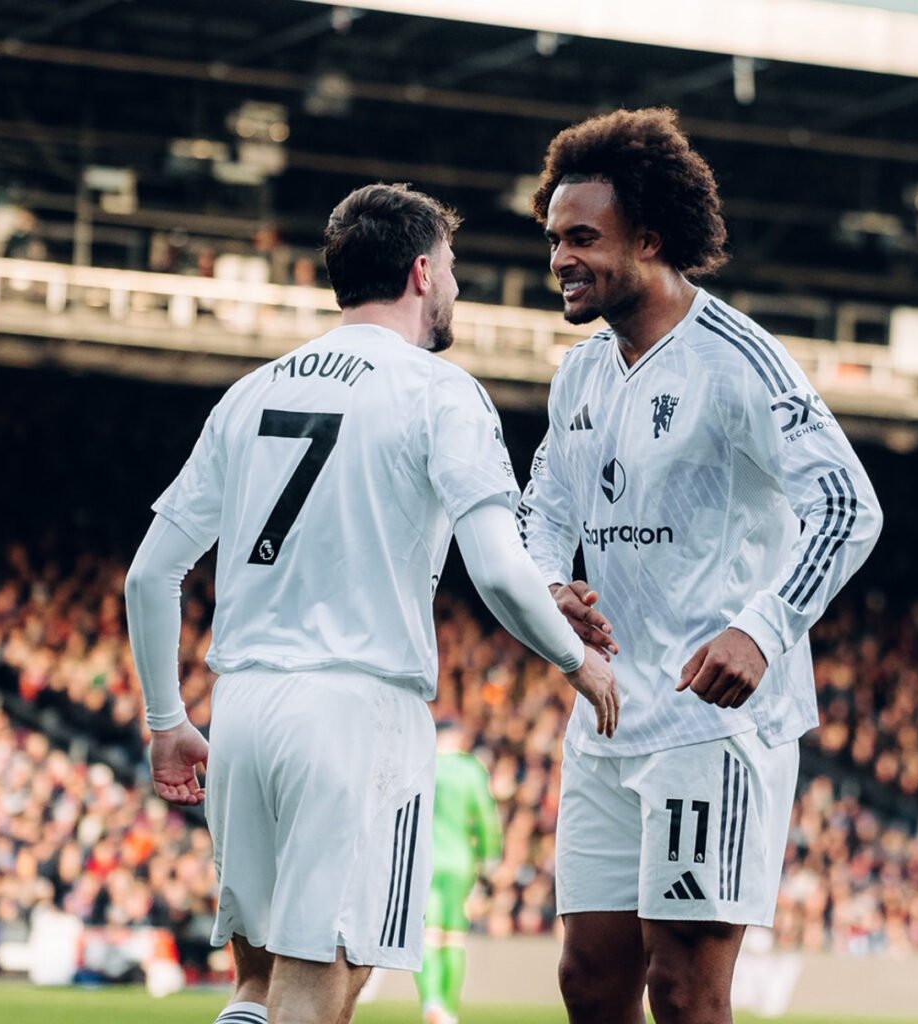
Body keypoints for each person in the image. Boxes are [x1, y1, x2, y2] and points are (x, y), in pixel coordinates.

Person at [124, 182, 617, 1024]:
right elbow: (496, 570)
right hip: (359, 712)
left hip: (241, 706)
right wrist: (580, 664)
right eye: (454, 269)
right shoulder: (438, 391)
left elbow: (148, 576)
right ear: (423, 272)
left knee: (257, 982)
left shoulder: (249, 394)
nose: (455, 287)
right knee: (323, 989)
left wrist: (166, 720)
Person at [518, 108, 883, 1024]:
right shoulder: (580, 373)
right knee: (588, 982)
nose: (558, 257)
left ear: (649, 238)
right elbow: (545, 508)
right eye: (553, 238)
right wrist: (547, 588)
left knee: (681, 987)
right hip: (605, 711)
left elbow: (846, 506)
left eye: (581, 238)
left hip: (710, 724)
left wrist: (760, 630)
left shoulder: (739, 362)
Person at [414, 719, 502, 1024]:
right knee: (453, 937)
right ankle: (450, 1011)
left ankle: (432, 1003)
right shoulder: (471, 770)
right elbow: (487, 819)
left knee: (428, 936)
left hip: (424, 860)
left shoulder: (421, 764)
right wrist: (489, 861)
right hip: (460, 862)